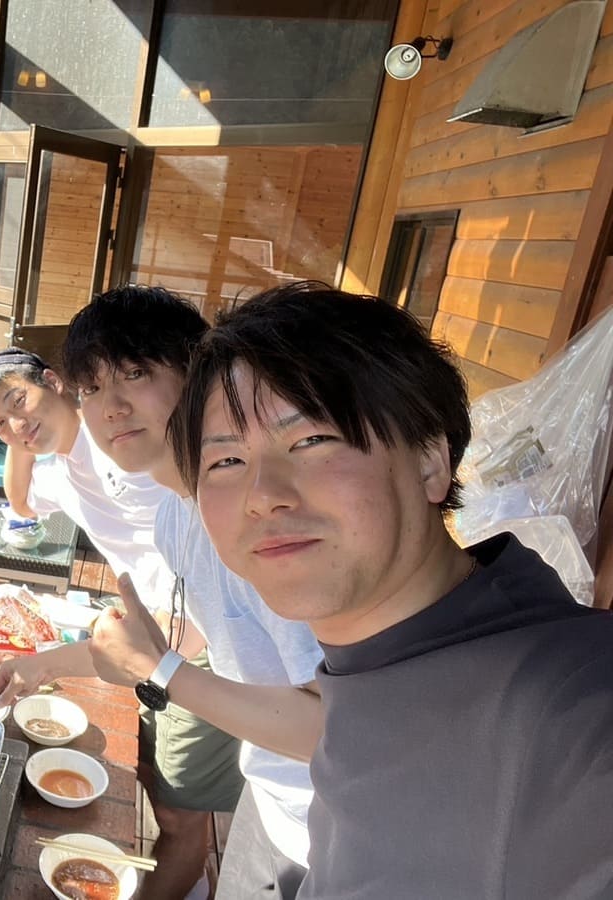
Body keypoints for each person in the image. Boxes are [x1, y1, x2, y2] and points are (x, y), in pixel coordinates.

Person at [150, 281, 613, 898]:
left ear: (430, 460)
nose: (262, 496)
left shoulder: (573, 711)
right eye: (226, 462)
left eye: (312, 440)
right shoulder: (370, 666)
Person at [0, 286, 323, 900]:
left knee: (179, 818)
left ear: (197, 372)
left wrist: (155, 667)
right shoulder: (176, 514)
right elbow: (169, 642)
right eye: (93, 388)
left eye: (135, 374)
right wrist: (47, 664)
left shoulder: (259, 520)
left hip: (332, 835)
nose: (112, 408)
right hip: (273, 806)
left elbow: (330, 728)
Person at [0, 346, 173, 606]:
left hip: (197, 613)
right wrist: (20, 435)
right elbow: (20, 503)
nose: (16, 425)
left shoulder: (123, 437)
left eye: (19, 400)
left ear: (52, 382)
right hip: (155, 612)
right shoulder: (61, 473)